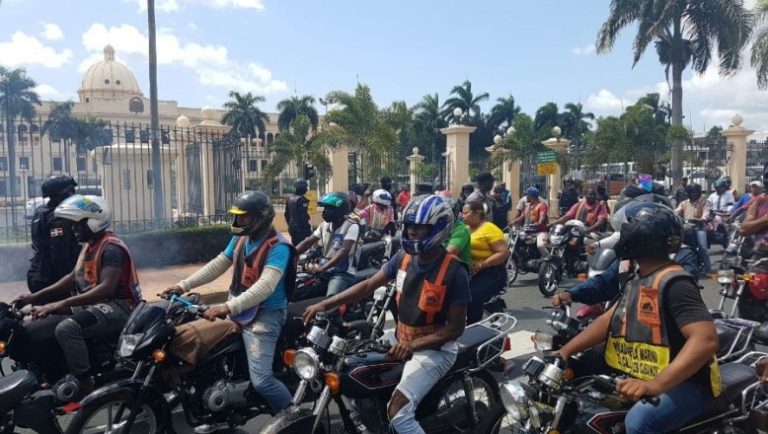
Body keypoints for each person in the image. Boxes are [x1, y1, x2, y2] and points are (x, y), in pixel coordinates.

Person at [302, 194, 470, 434]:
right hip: (400, 338)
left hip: (435, 351)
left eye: (420, 228)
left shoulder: (455, 271)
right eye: (410, 227)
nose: (412, 233)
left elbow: (455, 328)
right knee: (355, 371)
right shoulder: (403, 258)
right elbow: (367, 286)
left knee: (399, 413)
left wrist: (415, 345)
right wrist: (326, 304)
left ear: (439, 228)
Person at [556, 202, 721, 434]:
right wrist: (565, 352)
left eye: (623, 233)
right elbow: (609, 319)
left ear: (639, 239)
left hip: (688, 382)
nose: (619, 238)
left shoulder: (675, 282)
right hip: (644, 373)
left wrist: (655, 385)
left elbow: (705, 340)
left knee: (639, 422)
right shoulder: (638, 278)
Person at [164, 191, 295, 432]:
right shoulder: (242, 238)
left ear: (261, 218)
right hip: (238, 310)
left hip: (264, 315)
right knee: (203, 355)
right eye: (237, 216)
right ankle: (216, 414)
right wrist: (184, 285)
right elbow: (219, 263)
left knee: (262, 381)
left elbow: (265, 286)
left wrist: (227, 306)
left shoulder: (279, 247)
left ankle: (293, 417)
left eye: (243, 217)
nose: (238, 221)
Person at [15, 195, 141, 395]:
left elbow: (107, 288)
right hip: (98, 304)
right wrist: (34, 298)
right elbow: (72, 278)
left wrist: (60, 303)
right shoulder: (90, 246)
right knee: (43, 318)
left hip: (122, 306)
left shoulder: (111, 247)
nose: (73, 230)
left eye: (78, 225)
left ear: (94, 221)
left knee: (67, 328)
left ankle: (85, 383)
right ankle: (55, 374)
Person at [296, 191, 361, 296]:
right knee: (301, 292)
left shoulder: (351, 226)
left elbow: (343, 251)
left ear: (339, 210)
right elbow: (308, 242)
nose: (324, 212)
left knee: (330, 304)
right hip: (324, 271)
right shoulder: (324, 225)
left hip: (342, 273)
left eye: (329, 209)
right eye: (324, 208)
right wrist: (291, 253)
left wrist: (323, 268)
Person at [27, 175, 81, 294]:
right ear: (58, 196)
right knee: (59, 311)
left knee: (41, 311)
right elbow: (60, 255)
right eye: (70, 191)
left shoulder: (41, 212)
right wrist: (68, 283)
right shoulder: (59, 218)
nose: (73, 195)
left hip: (37, 273)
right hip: (52, 278)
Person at [462, 200, 509, 324]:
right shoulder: (465, 228)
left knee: (472, 296)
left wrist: (483, 264)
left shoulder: (490, 229)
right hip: (472, 271)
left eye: (466, 213)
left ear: (477, 214)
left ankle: (474, 326)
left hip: (492, 272)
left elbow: (503, 253)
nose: (462, 215)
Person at [676, 183, 711, 273]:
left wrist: (701, 219)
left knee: (703, 248)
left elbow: (706, 214)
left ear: (698, 192)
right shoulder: (683, 203)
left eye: (695, 192)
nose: (693, 194)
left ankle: (708, 269)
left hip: (699, 228)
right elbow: (676, 212)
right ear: (688, 193)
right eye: (691, 192)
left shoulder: (704, 202)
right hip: (685, 228)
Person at [512, 187, 549, 258]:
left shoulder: (542, 206)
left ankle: (548, 259)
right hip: (527, 231)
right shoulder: (528, 206)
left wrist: (539, 222)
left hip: (540, 232)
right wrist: (514, 222)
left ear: (531, 196)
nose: (526, 197)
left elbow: (542, 216)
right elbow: (522, 216)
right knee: (514, 240)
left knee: (540, 245)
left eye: (527, 195)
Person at [436, 192, 472, 266]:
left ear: (453, 214)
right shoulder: (437, 225)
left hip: (456, 270)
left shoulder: (460, 229)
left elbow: (449, 253)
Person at [284, 179, 312, 245]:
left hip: (292, 227)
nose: (306, 189)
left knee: (295, 247)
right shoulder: (302, 200)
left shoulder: (289, 199)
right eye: (305, 187)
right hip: (301, 229)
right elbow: (303, 216)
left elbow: (286, 215)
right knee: (304, 247)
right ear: (302, 188)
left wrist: (290, 225)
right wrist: (307, 229)